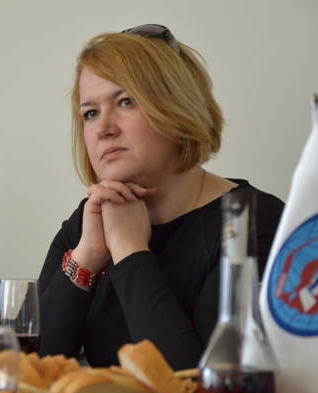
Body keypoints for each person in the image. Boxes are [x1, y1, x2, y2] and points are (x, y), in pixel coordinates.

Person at [37, 25, 284, 371]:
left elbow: (200, 387)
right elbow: (20, 373)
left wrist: (129, 249)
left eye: (125, 102)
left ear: (177, 108)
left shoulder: (252, 222)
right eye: (90, 113)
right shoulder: (88, 222)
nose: (103, 128)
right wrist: (88, 256)